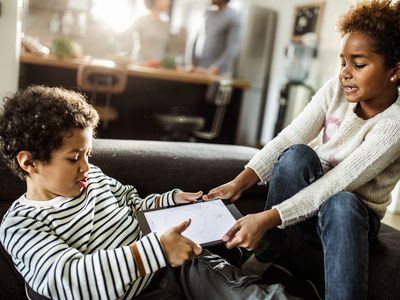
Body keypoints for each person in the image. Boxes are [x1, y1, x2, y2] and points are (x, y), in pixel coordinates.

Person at [0, 85, 300, 299]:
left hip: (172, 267)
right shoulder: (21, 225)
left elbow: (132, 203)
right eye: (73, 158)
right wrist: (156, 250)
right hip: (134, 284)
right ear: (30, 162)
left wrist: (170, 200)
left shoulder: (94, 178)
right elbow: (68, 280)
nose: (85, 167)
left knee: (243, 290)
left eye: (88, 154)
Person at [202, 1, 400, 299]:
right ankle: (267, 255)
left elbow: (338, 182)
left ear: (395, 71)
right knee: (297, 154)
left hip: (352, 219)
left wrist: (267, 217)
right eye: (343, 62)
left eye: (358, 65)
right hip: (307, 212)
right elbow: (292, 134)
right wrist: (238, 182)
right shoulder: (335, 88)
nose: (346, 73)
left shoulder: (394, 124)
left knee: (342, 201)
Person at [186, 0, 241, 76]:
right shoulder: (205, 13)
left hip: (218, 73)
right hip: (198, 69)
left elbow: (233, 47)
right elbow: (194, 40)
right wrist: (191, 63)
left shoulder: (233, 17)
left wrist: (217, 67)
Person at [129, 0, 171, 65]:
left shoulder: (166, 25)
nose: (168, 2)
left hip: (158, 68)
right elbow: (122, 37)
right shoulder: (141, 20)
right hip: (140, 66)